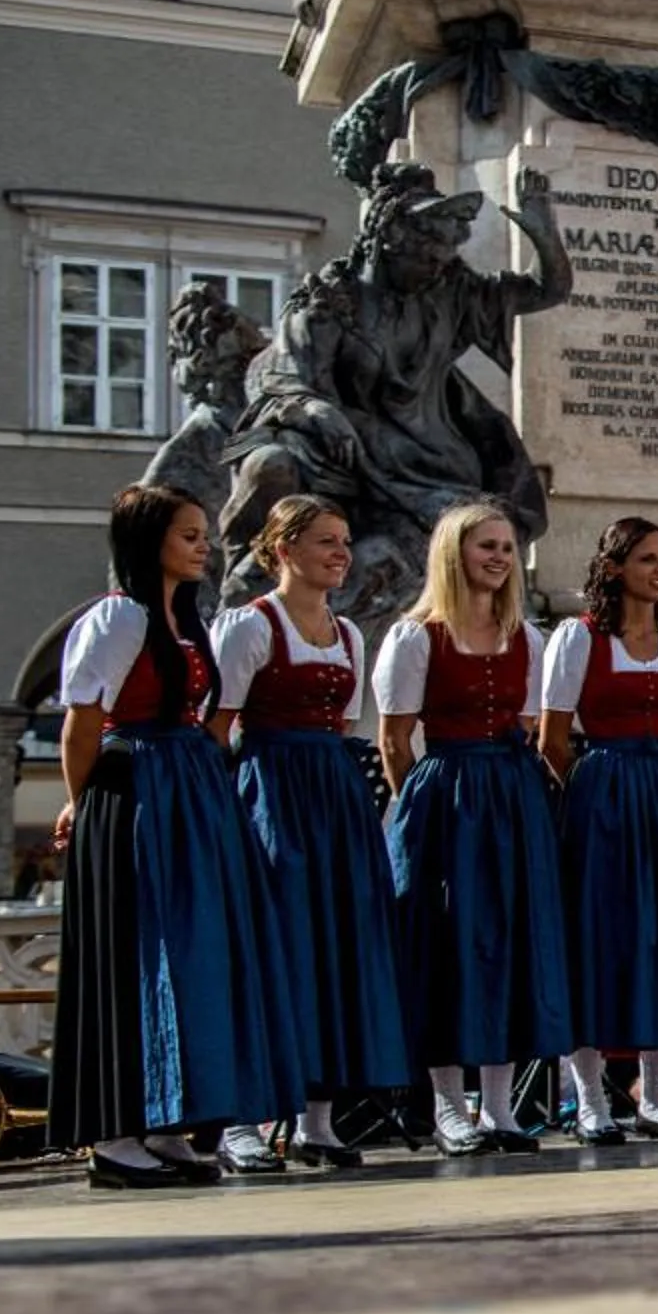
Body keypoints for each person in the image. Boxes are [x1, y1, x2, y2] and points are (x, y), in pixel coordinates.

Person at [47, 484, 306, 1190]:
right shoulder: (119, 619)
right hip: (138, 797)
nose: (203, 546)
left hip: (189, 794)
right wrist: (86, 807)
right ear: (148, 540)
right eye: (189, 534)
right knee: (137, 952)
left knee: (192, 952)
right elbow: (82, 726)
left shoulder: (185, 621)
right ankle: (115, 1133)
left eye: (202, 534)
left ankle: (166, 1118)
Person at [208, 496, 411, 1170]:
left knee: (333, 948)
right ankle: (244, 1119)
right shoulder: (249, 626)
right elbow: (219, 730)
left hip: (333, 796)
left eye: (345, 541)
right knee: (276, 949)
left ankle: (316, 1121)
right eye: (326, 540)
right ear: (283, 549)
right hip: (271, 789)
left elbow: (347, 727)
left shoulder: (348, 633)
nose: (341, 553)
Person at [376, 501, 570, 1156]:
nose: (498, 557)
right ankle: (446, 1104)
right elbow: (396, 739)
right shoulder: (417, 636)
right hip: (447, 795)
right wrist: (424, 812)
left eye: (507, 547)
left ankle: (498, 1106)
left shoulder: (528, 638)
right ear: (453, 555)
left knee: (510, 941)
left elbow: (532, 725)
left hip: (511, 793)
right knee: (450, 946)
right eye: (485, 545)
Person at [541, 516, 658, 1145]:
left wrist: (654, 781)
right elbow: (552, 740)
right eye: (647, 558)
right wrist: (598, 789)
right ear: (614, 567)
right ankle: (590, 1098)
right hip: (605, 798)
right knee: (601, 939)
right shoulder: (579, 639)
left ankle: (655, 1096)